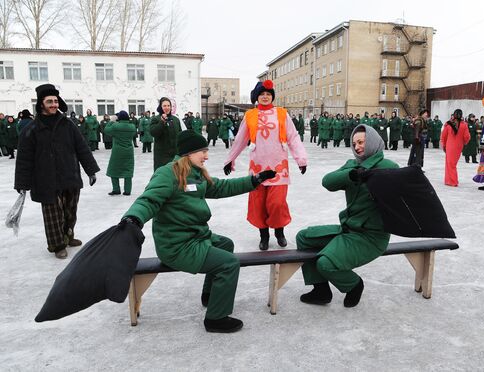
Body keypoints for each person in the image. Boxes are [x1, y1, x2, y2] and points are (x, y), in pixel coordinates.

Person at [122, 130, 276, 333]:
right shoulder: (168, 173)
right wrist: (134, 218)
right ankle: (216, 318)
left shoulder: (196, 174)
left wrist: (253, 181)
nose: (207, 155)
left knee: (226, 244)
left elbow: (220, 187)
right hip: (177, 245)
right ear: (188, 153)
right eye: (202, 151)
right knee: (229, 264)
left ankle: (210, 296)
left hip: (195, 237)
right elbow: (149, 200)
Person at [296, 124, 398, 308]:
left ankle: (354, 285)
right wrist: (351, 175)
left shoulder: (388, 167)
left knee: (325, 263)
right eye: (354, 143)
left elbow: (401, 198)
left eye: (361, 142)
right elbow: (327, 181)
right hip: (348, 230)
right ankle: (321, 290)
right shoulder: (352, 165)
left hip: (370, 237)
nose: (357, 147)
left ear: (373, 142)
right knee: (304, 237)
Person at [14, 84, 99, 259]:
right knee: (53, 215)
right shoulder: (31, 129)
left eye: (55, 101)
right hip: (46, 180)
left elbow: (81, 147)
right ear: (41, 104)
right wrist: (22, 184)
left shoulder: (68, 124)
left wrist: (90, 170)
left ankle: (68, 237)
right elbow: (24, 159)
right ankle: (57, 245)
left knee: (70, 212)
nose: (53, 104)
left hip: (70, 175)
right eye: (49, 101)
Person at [223, 80, 308, 250]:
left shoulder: (282, 114)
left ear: (272, 96)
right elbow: (240, 140)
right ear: (256, 97)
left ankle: (279, 231)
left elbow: (293, 137)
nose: (265, 97)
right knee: (258, 204)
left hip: (279, 168)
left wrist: (301, 158)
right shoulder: (250, 116)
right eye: (262, 94)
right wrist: (229, 159)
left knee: (277, 204)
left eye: (268, 94)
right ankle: (264, 236)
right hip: (257, 167)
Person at [104, 111, 136, 196]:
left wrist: (111, 121)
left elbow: (106, 130)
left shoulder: (115, 126)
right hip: (129, 151)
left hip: (117, 151)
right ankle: (127, 191)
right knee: (128, 170)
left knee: (113, 169)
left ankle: (116, 189)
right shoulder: (132, 127)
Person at [150, 97, 183, 171]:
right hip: (162, 156)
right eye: (164, 106)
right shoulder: (156, 119)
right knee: (162, 177)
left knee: (175, 177)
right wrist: (162, 122)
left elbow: (180, 136)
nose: (167, 107)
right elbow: (153, 132)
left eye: (168, 106)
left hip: (175, 155)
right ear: (160, 107)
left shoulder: (176, 120)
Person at [440, 109, 471, 187]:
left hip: (449, 145)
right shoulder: (464, 125)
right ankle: (448, 180)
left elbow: (443, 135)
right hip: (458, 146)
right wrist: (464, 143)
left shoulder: (448, 124)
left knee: (449, 164)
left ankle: (452, 181)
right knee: (453, 163)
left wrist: (443, 144)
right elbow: (467, 137)